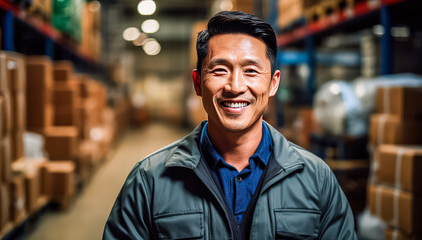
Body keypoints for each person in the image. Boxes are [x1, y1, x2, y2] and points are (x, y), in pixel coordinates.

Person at [103, 11, 357, 240]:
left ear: (273, 84)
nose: (235, 87)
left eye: (251, 71)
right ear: (198, 83)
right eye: (220, 70)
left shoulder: (316, 179)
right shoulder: (150, 179)